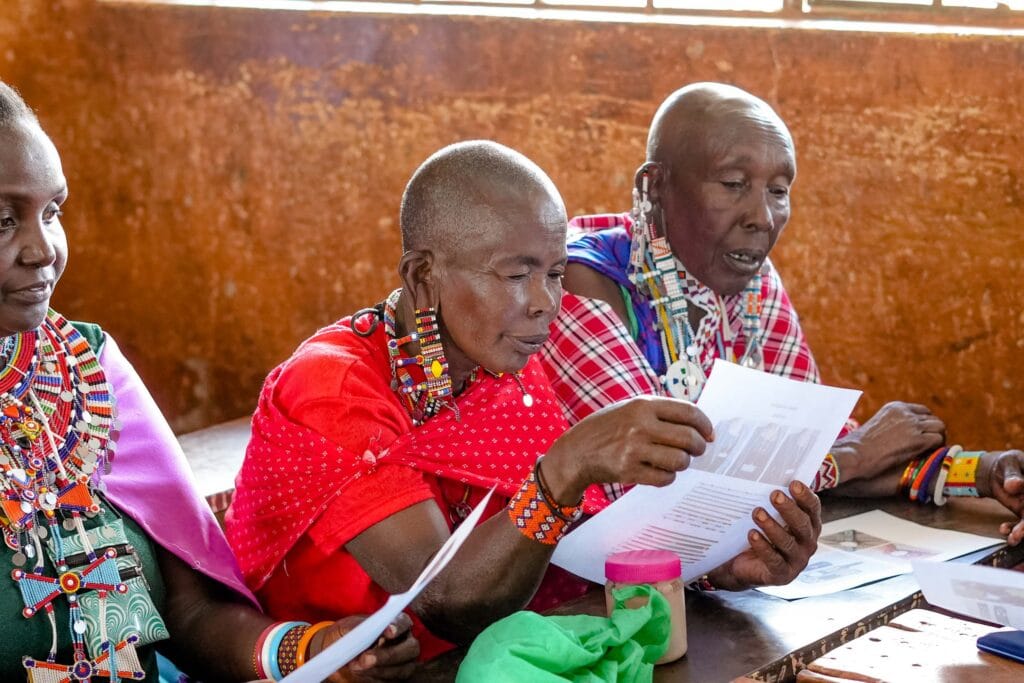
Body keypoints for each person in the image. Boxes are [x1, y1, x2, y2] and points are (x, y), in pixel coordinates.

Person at [224, 140, 823, 662]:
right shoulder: (334, 388)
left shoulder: (503, 364)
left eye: (557, 273)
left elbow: (573, 546)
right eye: (516, 276)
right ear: (423, 277)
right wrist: (565, 467)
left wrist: (719, 566)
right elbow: (445, 600)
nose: (545, 303)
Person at [0, 81, 418, 682]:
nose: (43, 249)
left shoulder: (84, 370)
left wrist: (309, 651)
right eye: (5, 219)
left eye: (53, 212)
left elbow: (189, 612)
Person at [540, 82, 1024, 527]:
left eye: (778, 191)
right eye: (733, 184)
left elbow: (815, 448)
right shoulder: (580, 284)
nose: (762, 217)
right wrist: (849, 458)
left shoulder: (747, 277)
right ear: (654, 187)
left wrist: (983, 472)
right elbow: (657, 495)